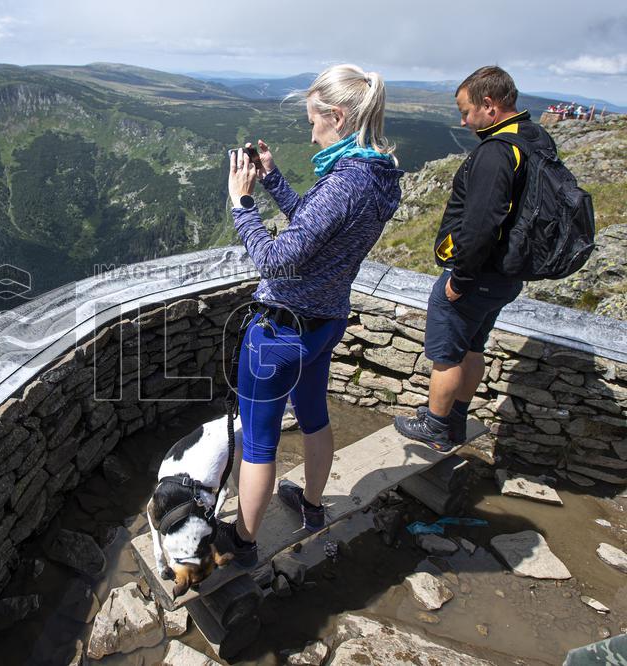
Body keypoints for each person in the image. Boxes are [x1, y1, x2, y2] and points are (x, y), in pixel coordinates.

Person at [216, 64, 403, 566]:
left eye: (312, 121)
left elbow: (279, 257)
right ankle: (314, 506)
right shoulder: (380, 177)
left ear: (337, 117)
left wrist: (243, 204)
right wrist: (275, 179)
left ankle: (243, 542)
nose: (311, 130)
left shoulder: (344, 184)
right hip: (325, 324)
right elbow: (318, 228)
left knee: (259, 442)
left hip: (280, 332)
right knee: (315, 416)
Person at [394, 65, 554, 450]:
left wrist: (459, 279)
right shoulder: (535, 138)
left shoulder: (497, 152)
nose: (464, 121)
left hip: (476, 275)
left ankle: (435, 425)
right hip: (506, 274)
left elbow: (481, 224)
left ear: (489, 104)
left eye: (466, 112)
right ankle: (453, 421)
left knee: (446, 355)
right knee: (473, 347)